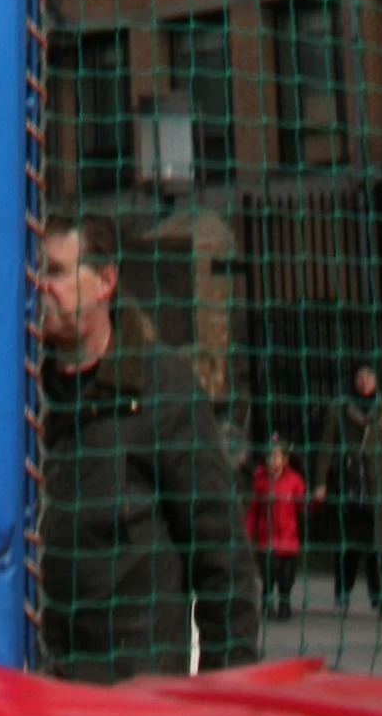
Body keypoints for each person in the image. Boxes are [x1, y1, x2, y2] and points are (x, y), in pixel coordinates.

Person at [34, 213, 258, 681]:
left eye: (55, 271)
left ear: (105, 282)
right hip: (38, 685)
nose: (38, 285)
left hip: (134, 692)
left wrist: (228, 691)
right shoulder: (22, 397)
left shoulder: (162, 393)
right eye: (34, 270)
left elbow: (221, 553)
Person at [314, 360, 382, 618]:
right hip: (351, 484)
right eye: (360, 376)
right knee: (349, 544)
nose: (365, 381)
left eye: (369, 376)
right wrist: (321, 481)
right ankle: (342, 596)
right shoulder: (340, 408)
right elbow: (327, 446)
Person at [245, 431, 307, 617]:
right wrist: (248, 535)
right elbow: (252, 511)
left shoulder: (294, 481)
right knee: (269, 573)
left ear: (285, 459)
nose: (271, 461)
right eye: (269, 457)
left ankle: (285, 603)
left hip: (289, 540)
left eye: (276, 456)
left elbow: (302, 504)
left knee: (287, 576)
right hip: (267, 540)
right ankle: (266, 602)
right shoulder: (260, 481)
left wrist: (314, 501)